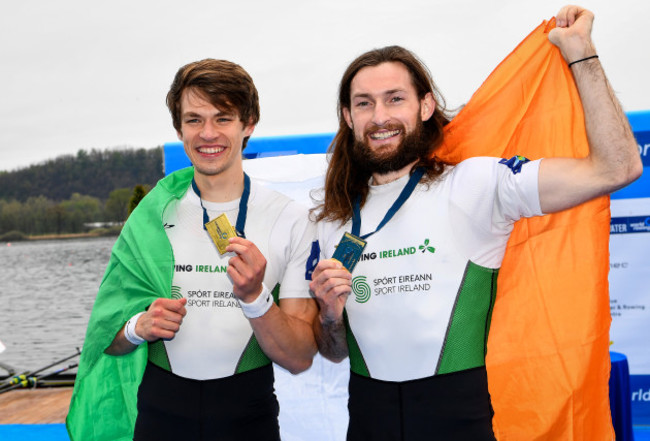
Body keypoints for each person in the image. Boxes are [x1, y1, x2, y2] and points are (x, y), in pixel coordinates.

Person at [309, 5, 642, 441]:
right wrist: (330, 317)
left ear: (425, 105)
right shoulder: (334, 215)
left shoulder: (474, 184)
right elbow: (333, 352)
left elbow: (616, 168)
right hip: (369, 420)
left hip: (462, 417)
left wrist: (582, 55)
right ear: (349, 118)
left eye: (395, 98)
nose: (380, 117)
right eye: (364, 104)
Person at [67, 59, 318, 441]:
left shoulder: (291, 219)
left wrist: (256, 298)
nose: (208, 134)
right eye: (194, 120)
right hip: (160, 414)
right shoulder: (151, 215)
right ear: (179, 128)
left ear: (248, 124)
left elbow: (299, 358)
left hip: (248, 417)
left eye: (223, 118)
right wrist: (138, 328)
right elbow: (107, 340)